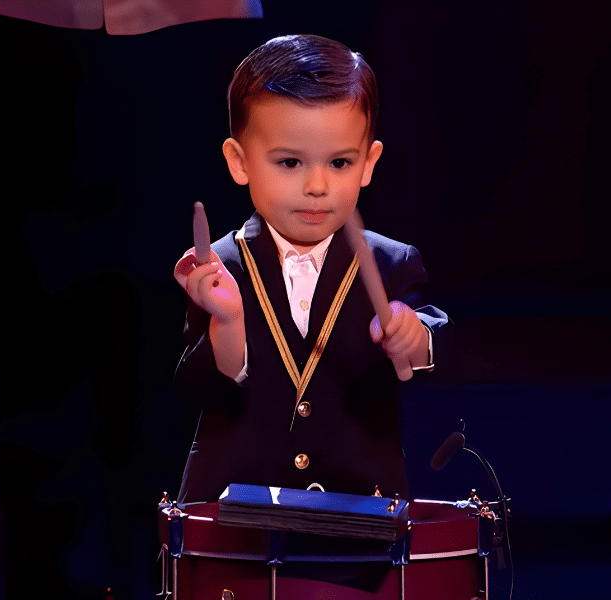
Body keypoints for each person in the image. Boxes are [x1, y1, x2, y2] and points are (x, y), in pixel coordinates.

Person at [173, 34, 449, 506]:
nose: (318, 185)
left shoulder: (392, 262)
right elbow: (200, 390)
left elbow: (430, 345)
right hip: (239, 509)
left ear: (369, 163)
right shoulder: (220, 265)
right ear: (239, 162)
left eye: (340, 162)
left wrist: (413, 336)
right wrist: (228, 319)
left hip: (360, 505)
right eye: (290, 162)